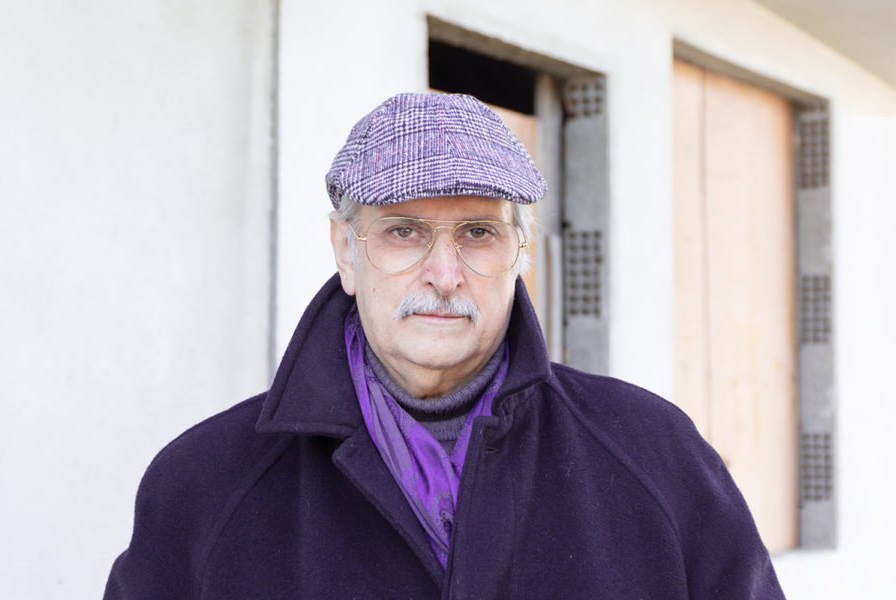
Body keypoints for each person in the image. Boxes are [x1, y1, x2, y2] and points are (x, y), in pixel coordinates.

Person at [104, 92, 785, 599]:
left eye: (477, 233)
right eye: (403, 232)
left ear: (520, 251)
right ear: (345, 250)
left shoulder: (655, 455)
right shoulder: (204, 485)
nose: (444, 274)